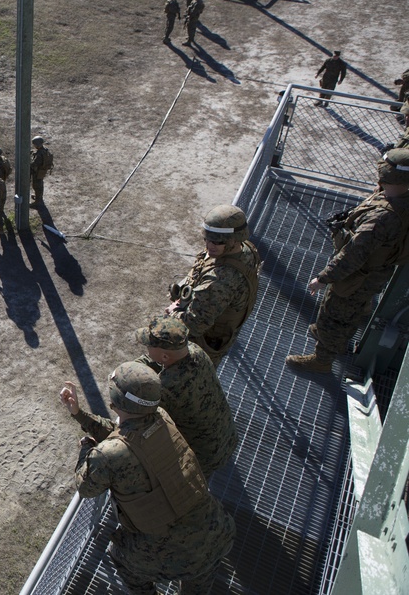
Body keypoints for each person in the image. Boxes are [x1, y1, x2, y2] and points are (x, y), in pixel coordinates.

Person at [59, 363, 235, 595]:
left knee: (120, 556)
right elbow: (123, 435)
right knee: (200, 575)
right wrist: (79, 414)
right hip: (216, 532)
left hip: (174, 552)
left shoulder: (107, 455)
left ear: (116, 402)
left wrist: (87, 447)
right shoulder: (161, 417)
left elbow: (86, 487)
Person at [287, 149, 409, 373]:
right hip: (374, 273)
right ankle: (333, 333)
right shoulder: (398, 199)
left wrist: (322, 279)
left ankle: (322, 360)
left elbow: (353, 255)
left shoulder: (383, 218)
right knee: (353, 309)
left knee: (334, 317)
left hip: (356, 276)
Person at [134, 316, 238, 477]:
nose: (147, 347)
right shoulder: (195, 351)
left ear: (165, 357)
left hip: (204, 456)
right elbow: (158, 360)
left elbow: (143, 416)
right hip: (227, 437)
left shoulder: (168, 386)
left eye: (149, 345)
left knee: (195, 486)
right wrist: (134, 366)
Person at [166, 204, 262, 366]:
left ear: (233, 239)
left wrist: (172, 312)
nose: (210, 246)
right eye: (207, 239)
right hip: (220, 328)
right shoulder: (246, 249)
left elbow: (194, 325)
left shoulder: (219, 281)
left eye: (217, 242)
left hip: (203, 342)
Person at [30, 135, 51, 207]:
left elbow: (34, 164)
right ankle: (38, 197)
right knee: (39, 184)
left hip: (37, 172)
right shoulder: (44, 150)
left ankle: (38, 201)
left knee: (36, 186)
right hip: (42, 171)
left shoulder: (39, 154)